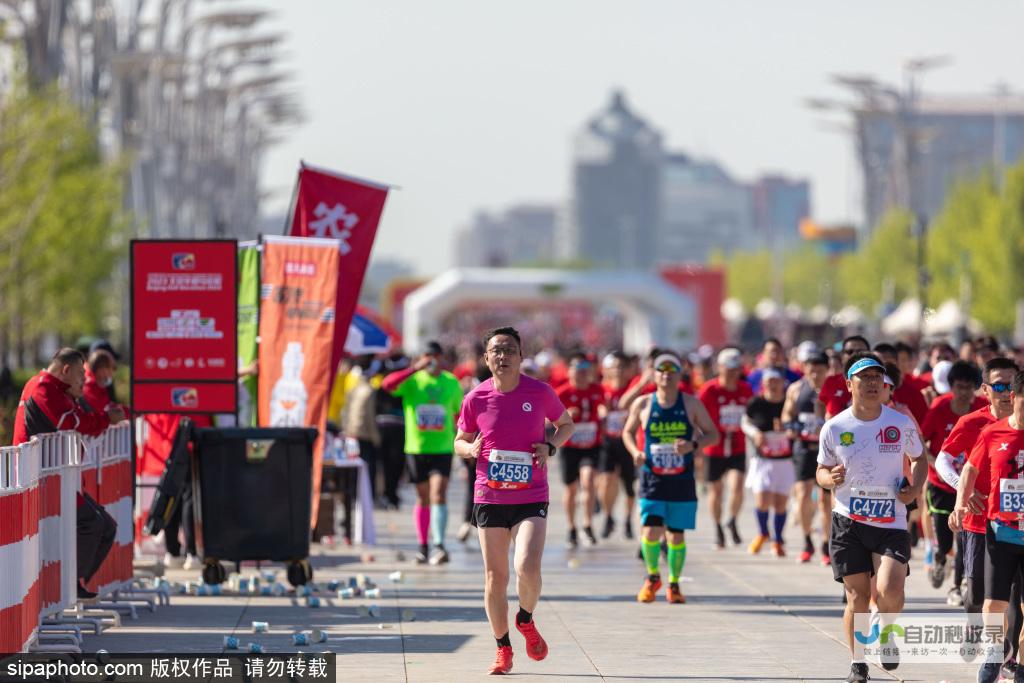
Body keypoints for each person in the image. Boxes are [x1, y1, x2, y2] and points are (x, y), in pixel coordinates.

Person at [454, 327, 574, 675]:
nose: (503, 356)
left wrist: (550, 445)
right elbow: (459, 440)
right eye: (496, 350)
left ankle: (525, 618)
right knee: (496, 577)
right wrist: (470, 448)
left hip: (531, 494)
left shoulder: (540, 392)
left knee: (527, 567)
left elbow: (565, 424)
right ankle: (502, 648)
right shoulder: (475, 398)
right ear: (486, 358)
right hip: (489, 495)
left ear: (521, 356)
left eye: (510, 350)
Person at [817, 353, 926, 683]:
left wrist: (914, 489)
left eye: (877, 378)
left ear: (885, 384)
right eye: (864, 378)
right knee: (858, 598)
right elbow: (820, 471)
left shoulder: (899, 423)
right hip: (848, 522)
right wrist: (829, 479)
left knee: (890, 588)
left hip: (890, 519)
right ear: (850, 384)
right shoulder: (835, 427)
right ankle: (858, 662)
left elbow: (920, 459)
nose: (872, 384)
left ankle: (888, 631)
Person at [14, 348, 127, 599]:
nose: (83, 381)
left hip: (57, 478)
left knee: (105, 525)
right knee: (93, 523)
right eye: (79, 375)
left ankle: (70, 584)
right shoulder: (42, 388)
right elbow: (72, 422)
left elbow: (79, 419)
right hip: (42, 479)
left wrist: (94, 413)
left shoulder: (57, 391)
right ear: (65, 370)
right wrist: (105, 418)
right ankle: (64, 587)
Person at [942, 358, 1022, 680]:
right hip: (979, 523)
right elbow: (948, 461)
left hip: (1012, 525)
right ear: (986, 390)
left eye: (1010, 385)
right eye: (998, 386)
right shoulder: (975, 423)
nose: (1005, 393)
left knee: (1014, 597)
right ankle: (981, 632)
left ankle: (1007, 654)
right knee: (976, 596)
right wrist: (965, 493)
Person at [622, 351, 719, 604]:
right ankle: (653, 576)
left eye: (671, 371)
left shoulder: (691, 404)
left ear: (679, 375)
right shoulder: (643, 404)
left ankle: (674, 583)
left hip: (681, 479)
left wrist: (692, 445)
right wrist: (635, 452)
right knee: (652, 531)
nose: (666, 375)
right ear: (654, 375)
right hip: (652, 478)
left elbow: (712, 434)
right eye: (661, 371)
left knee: (676, 536)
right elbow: (627, 432)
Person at [382, 341, 464, 565]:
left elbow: (460, 412)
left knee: (439, 493)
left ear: (442, 357)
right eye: (427, 355)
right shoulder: (412, 381)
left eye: (435, 355)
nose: (431, 360)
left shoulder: (450, 382)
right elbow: (387, 385)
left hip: (442, 447)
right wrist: (414, 369)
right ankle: (423, 545)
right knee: (423, 496)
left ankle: (439, 544)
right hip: (416, 447)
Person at [919, 361, 986, 597]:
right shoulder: (939, 407)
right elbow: (921, 443)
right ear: (951, 386)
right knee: (946, 540)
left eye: (969, 387)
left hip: (970, 487)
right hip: (941, 485)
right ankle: (939, 559)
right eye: (959, 387)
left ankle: (957, 586)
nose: (964, 392)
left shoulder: (982, 408)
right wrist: (936, 462)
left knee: (964, 538)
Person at [698, 347, 753, 549]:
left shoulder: (745, 390)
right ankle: (718, 527)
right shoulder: (709, 390)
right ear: (719, 368)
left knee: (737, 486)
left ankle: (732, 520)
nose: (731, 373)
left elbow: (752, 414)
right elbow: (696, 416)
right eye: (728, 368)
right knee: (716, 491)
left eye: (735, 368)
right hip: (714, 449)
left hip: (737, 447)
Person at [782, 350, 829, 563]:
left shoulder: (833, 390)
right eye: (811, 371)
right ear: (805, 369)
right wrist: (790, 427)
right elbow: (786, 414)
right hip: (803, 446)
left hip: (826, 450)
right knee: (802, 495)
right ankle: (807, 539)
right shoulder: (796, 388)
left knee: (824, 500)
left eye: (820, 371)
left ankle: (826, 543)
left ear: (827, 370)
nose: (815, 375)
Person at [555, 352, 606, 548]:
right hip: (569, 447)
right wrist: (564, 416)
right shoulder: (562, 393)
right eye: (576, 372)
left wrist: (603, 413)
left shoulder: (597, 389)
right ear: (569, 373)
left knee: (589, 480)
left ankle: (587, 524)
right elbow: (545, 419)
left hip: (591, 445)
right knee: (570, 488)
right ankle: (571, 527)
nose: (581, 376)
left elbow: (605, 406)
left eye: (584, 372)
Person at [742, 369, 794, 557]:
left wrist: (788, 429)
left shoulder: (788, 402)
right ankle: (763, 533)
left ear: (783, 383)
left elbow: (796, 424)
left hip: (785, 460)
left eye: (776, 381)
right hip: (762, 459)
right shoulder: (757, 402)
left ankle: (778, 540)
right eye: (769, 381)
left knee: (780, 503)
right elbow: (745, 422)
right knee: (763, 500)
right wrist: (755, 433)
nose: (773, 385)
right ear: (763, 383)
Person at [598, 351, 637, 540]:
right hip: (608, 442)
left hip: (628, 442)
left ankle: (628, 520)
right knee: (606, 480)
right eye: (615, 367)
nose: (618, 371)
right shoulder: (603, 388)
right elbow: (596, 405)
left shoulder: (633, 388)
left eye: (622, 367)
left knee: (628, 485)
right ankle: (608, 516)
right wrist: (601, 410)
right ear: (609, 370)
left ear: (628, 370)